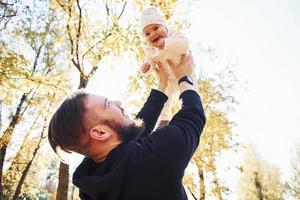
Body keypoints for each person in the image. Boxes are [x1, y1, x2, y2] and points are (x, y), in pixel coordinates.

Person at [48, 53, 206, 200]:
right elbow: (192, 116)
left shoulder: (91, 186)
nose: (118, 102)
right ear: (100, 132)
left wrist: (162, 87)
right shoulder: (153, 160)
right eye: (108, 104)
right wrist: (185, 78)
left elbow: (135, 134)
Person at [139, 7, 194, 121]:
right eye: (147, 33)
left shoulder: (173, 35)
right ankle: (164, 120)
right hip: (168, 80)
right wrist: (146, 68)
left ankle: (188, 113)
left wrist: (165, 43)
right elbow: (150, 63)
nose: (152, 34)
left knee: (190, 94)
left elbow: (185, 44)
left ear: (165, 26)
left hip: (186, 73)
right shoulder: (150, 49)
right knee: (164, 102)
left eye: (156, 28)